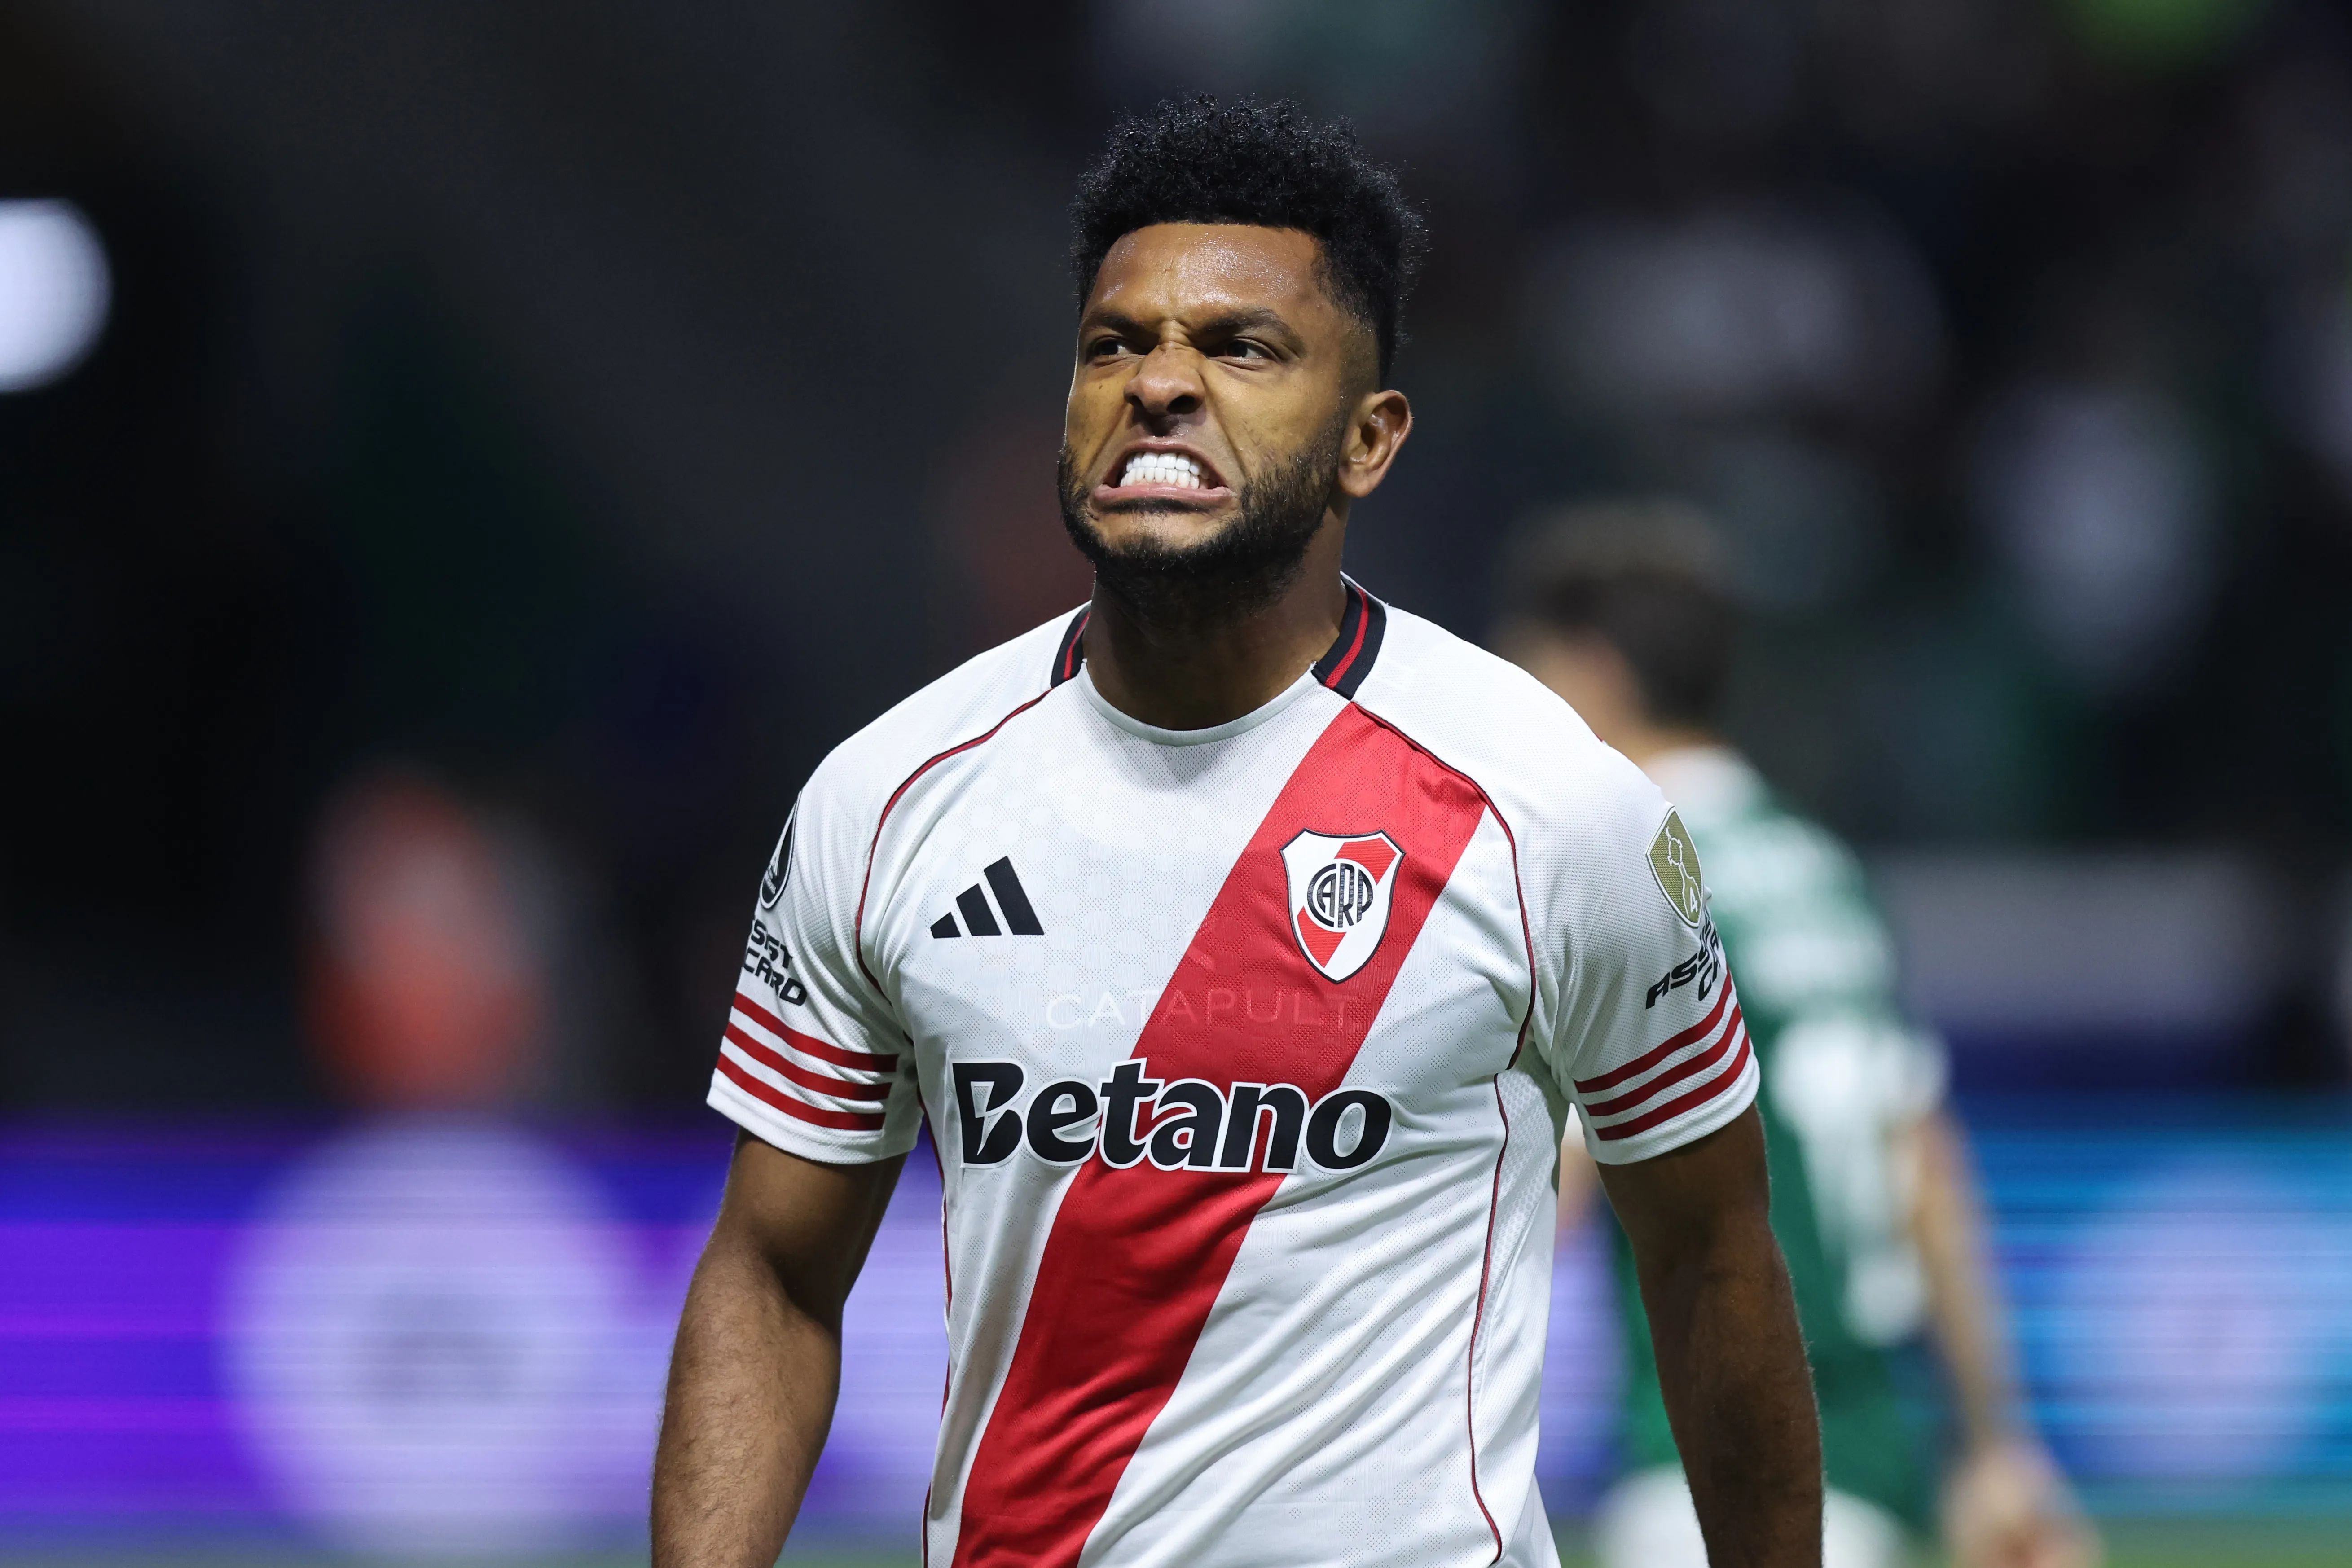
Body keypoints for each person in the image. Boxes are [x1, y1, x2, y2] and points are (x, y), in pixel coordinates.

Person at [651, 101, 1820, 1568]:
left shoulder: (1552, 810)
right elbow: (770, 1274)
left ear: (1367, 439)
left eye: (1238, 348)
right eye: (1111, 344)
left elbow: (1708, 1250)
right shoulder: (885, 799)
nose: (1158, 384)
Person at [1495, 500, 2101, 1568]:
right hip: (1864, 1460)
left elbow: (1560, 1183)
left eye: (1531, 671)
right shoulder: (1820, 868)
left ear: (1593, 673)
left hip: (1705, 1466)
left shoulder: (1621, 866)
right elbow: (1925, 1167)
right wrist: (1999, 1444)